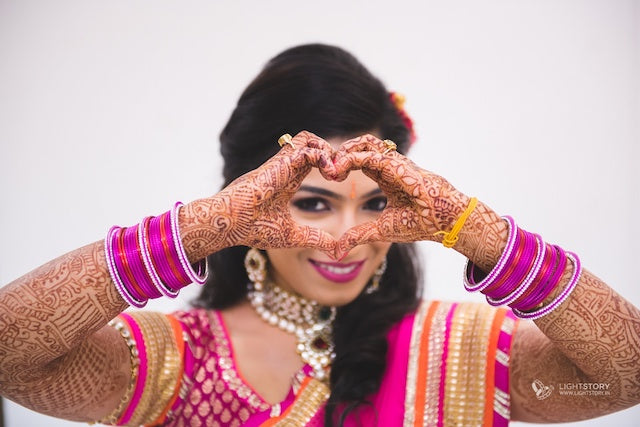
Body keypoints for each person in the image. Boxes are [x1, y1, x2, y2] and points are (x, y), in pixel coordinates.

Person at [0, 43, 638, 427]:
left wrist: (481, 232)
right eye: (312, 203)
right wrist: (202, 226)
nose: (346, 238)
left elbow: (625, 374)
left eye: (377, 203)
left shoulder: (464, 353)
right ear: (244, 203)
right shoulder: (172, 363)